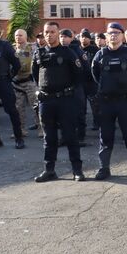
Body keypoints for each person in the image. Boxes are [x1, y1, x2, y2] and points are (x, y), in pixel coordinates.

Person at [91, 22, 127, 180]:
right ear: (106, 36)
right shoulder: (100, 54)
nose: (113, 35)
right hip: (106, 102)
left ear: (122, 35)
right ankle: (104, 168)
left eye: (116, 32)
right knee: (106, 137)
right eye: (110, 33)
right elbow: (95, 74)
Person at [31, 21, 84, 182]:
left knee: (70, 136)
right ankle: (49, 170)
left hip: (65, 101)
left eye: (52, 32)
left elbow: (78, 75)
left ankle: (77, 170)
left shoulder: (68, 53)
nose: (49, 35)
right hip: (46, 101)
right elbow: (35, 75)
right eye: (46, 32)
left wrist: (71, 93)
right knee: (49, 138)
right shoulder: (38, 53)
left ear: (58, 33)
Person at [61, 29, 89, 146]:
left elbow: (86, 69)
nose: (63, 39)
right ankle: (64, 137)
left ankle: (80, 136)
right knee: (63, 114)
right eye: (61, 36)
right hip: (63, 87)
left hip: (77, 86)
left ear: (71, 38)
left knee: (79, 112)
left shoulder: (78, 50)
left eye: (65, 37)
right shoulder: (59, 50)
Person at [12, 29, 40, 136]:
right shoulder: (11, 48)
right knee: (18, 108)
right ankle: (20, 130)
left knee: (36, 107)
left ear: (26, 36)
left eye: (20, 35)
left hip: (30, 82)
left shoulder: (32, 48)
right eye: (16, 35)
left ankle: (41, 129)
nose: (18, 37)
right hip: (16, 82)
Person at [79, 30, 101, 131]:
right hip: (80, 82)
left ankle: (97, 123)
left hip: (92, 82)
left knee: (95, 105)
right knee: (81, 106)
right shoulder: (77, 49)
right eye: (82, 37)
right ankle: (81, 126)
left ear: (89, 38)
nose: (84, 38)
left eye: (86, 37)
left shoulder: (95, 49)